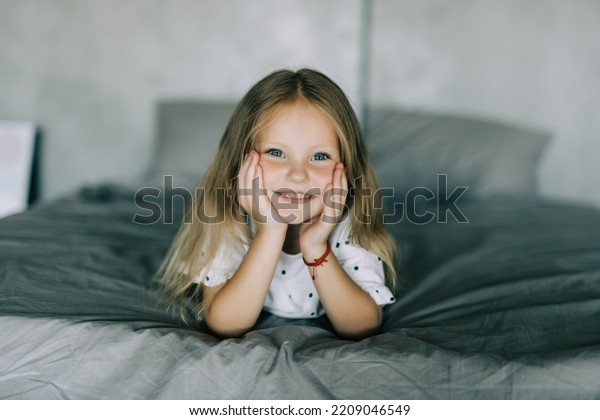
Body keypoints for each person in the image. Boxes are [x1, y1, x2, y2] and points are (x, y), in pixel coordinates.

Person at [159, 68, 398, 340]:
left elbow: (362, 326)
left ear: (346, 166)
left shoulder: (346, 220)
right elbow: (226, 324)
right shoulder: (229, 219)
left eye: (320, 156)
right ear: (242, 160)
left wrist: (316, 246)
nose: (297, 174)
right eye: (276, 152)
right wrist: (270, 232)